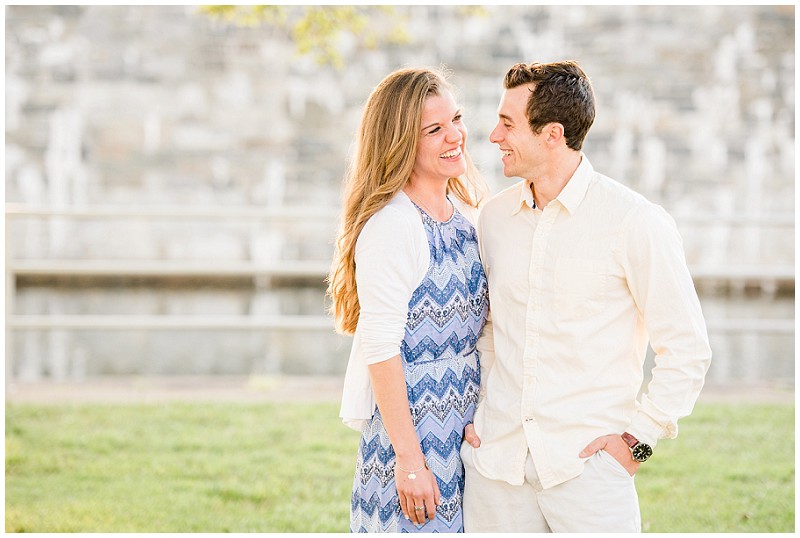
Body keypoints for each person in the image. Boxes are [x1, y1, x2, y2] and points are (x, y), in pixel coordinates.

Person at [460, 60, 713, 532]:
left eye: (508, 124)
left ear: (552, 134)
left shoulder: (635, 221)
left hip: (588, 473)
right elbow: (492, 327)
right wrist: (481, 417)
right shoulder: (492, 219)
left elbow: (687, 349)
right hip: (496, 469)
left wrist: (636, 443)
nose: (493, 135)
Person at [328, 67, 489, 533]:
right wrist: (411, 460)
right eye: (434, 129)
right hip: (415, 431)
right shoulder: (394, 226)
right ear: (400, 141)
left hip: (463, 428)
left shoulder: (465, 217)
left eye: (456, 120)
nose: (455, 136)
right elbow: (380, 348)